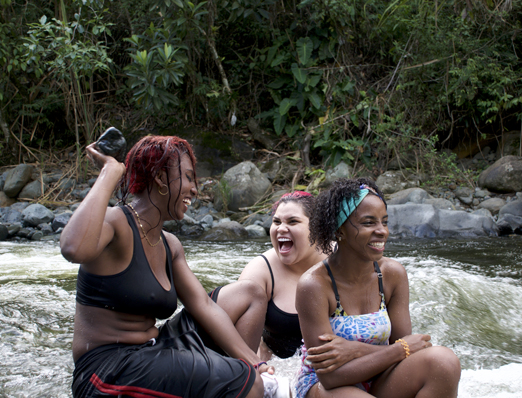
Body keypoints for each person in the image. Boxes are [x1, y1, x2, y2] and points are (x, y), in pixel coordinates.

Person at [61, 135, 273, 398]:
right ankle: (238, 385)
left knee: (249, 294)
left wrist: (253, 361)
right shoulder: (115, 224)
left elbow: (204, 306)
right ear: (160, 177)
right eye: (187, 177)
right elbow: (73, 248)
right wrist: (110, 172)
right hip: (107, 371)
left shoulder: (170, 245)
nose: (195, 189)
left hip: (155, 348)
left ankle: (235, 378)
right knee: (249, 385)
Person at [294, 178, 461, 398]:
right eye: (368, 222)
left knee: (443, 362)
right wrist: (399, 349)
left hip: (380, 375)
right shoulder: (314, 285)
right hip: (327, 387)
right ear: (339, 230)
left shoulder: (392, 274)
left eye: (384, 221)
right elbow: (330, 376)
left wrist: (357, 349)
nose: (382, 231)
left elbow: (408, 351)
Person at [211, 191, 327, 360]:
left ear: (317, 227)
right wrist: (258, 367)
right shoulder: (260, 270)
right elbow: (232, 334)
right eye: (276, 222)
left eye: (293, 221)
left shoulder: (342, 260)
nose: (281, 228)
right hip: (277, 368)